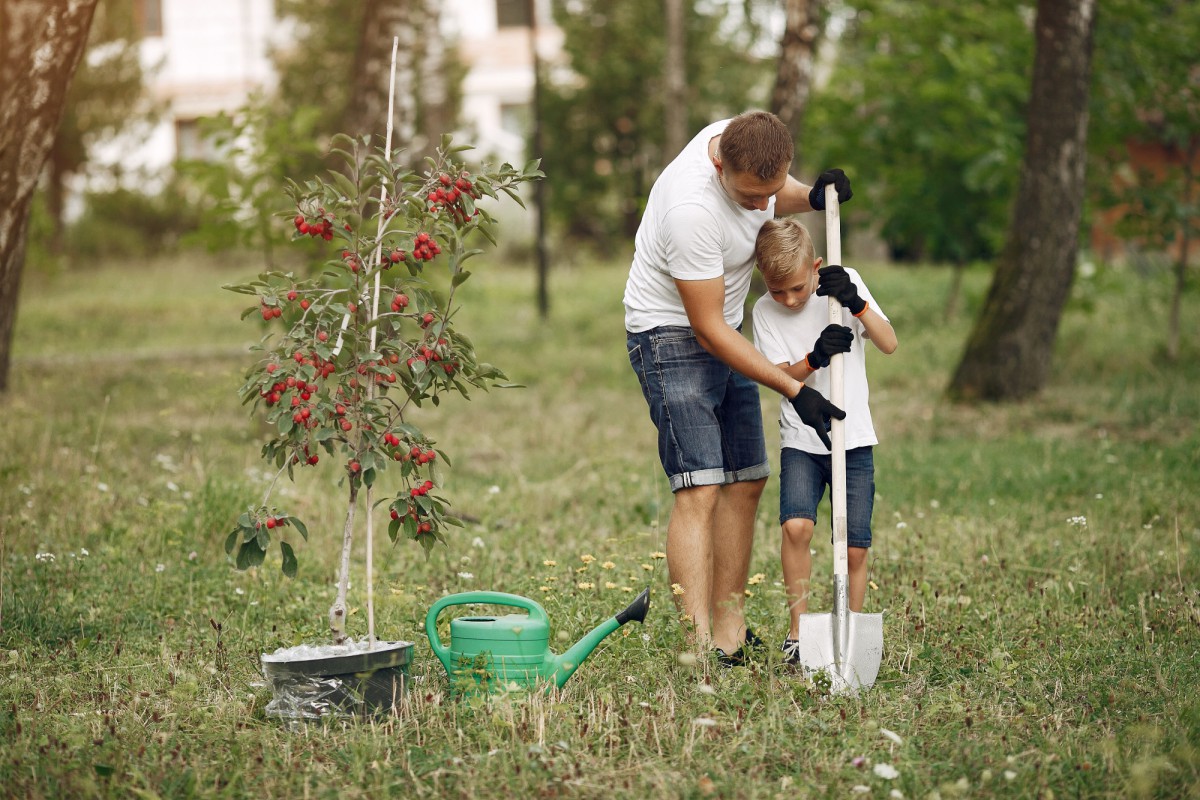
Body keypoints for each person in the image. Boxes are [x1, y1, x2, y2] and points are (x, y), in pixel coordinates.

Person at [624, 110, 851, 665]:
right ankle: (697, 647)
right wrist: (796, 389)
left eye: (768, 193)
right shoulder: (690, 209)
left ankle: (730, 630)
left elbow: (779, 194)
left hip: (726, 330)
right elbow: (707, 329)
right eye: (750, 197)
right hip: (670, 334)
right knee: (699, 484)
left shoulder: (750, 142)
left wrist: (815, 196)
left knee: (747, 480)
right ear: (719, 163)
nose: (760, 208)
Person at [750, 217, 897, 664]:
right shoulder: (763, 313)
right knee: (797, 526)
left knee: (853, 546)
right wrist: (813, 357)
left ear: (816, 267)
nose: (790, 299)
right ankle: (798, 634)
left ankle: (850, 632)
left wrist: (856, 305)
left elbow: (889, 343)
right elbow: (777, 377)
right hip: (802, 438)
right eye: (778, 290)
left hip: (853, 439)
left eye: (797, 287)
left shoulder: (844, 283)